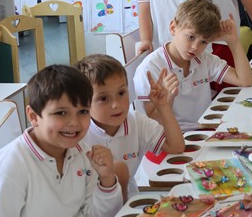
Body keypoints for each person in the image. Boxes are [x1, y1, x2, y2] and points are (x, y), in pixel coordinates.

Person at [0, 65, 121, 217]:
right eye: (61, 113)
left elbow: (95, 214)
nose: (74, 123)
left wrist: (107, 179)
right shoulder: (8, 169)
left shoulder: (83, 153)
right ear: (33, 116)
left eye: (83, 111)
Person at [135, 0, 252, 131]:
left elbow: (245, 80)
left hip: (205, 130)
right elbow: (151, 124)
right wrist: (167, 100)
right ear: (173, 28)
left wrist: (233, 41)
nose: (195, 47)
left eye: (204, 42)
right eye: (191, 37)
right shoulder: (150, 68)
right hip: (172, 137)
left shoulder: (204, 58)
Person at [76, 54, 185, 198]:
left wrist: (163, 106)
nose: (116, 104)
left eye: (121, 93)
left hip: (129, 201)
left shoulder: (136, 121)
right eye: (103, 98)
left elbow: (176, 147)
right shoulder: (77, 135)